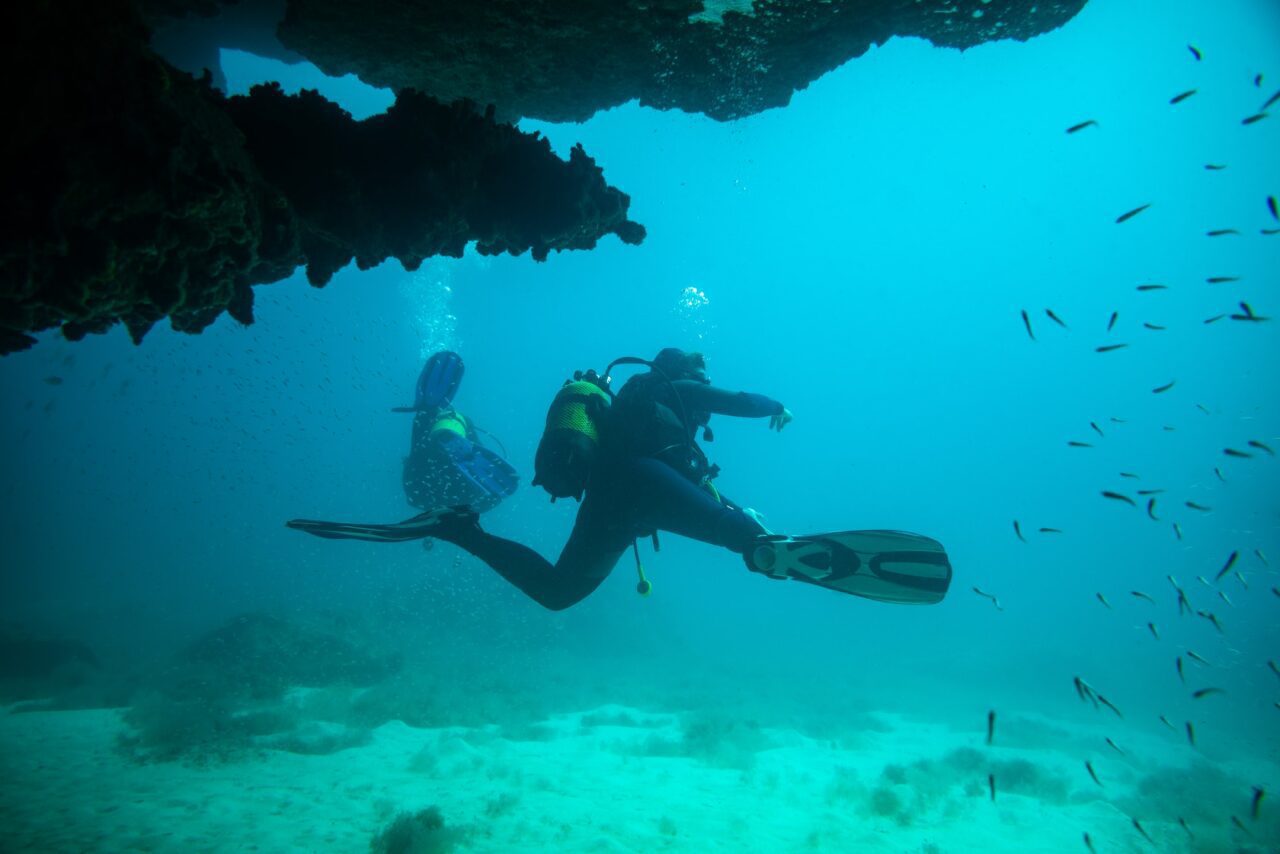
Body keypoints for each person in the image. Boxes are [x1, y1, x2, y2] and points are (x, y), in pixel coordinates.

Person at [289, 348, 952, 607]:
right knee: (731, 530)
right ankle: (764, 548)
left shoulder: (624, 400)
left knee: (557, 591)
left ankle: (463, 531)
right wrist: (777, 406)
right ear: (681, 366)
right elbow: (738, 400)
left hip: (613, 499)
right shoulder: (672, 385)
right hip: (646, 487)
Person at [397, 350, 518, 515]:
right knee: (487, 496)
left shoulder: (417, 493)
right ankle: (450, 430)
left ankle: (433, 417)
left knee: (422, 431)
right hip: (463, 494)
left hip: (423, 487)